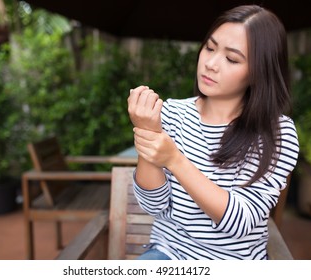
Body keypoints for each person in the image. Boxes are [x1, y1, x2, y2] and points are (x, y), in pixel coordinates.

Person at [127, 4, 299, 260]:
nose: (211, 64)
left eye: (231, 59)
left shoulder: (277, 134)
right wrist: (147, 131)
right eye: (209, 48)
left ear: (259, 72)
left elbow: (240, 223)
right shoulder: (173, 113)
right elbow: (155, 207)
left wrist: (174, 160)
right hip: (168, 254)